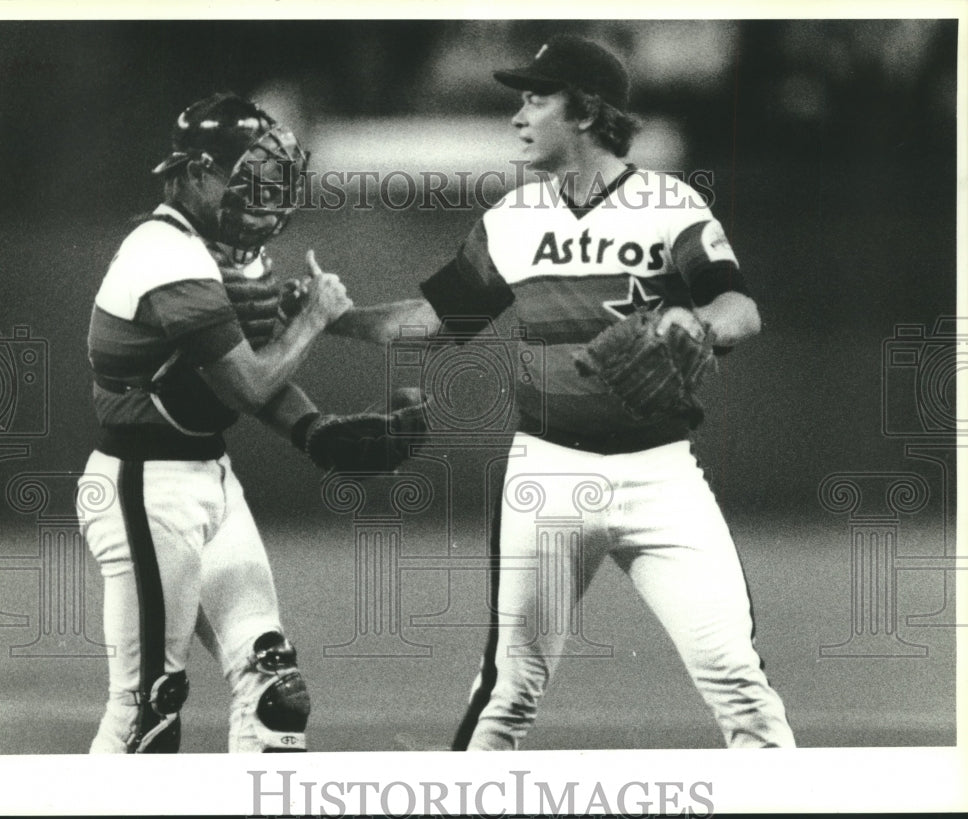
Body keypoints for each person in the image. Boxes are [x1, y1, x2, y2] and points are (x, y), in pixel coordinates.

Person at [332, 35, 796, 750]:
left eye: (534, 97)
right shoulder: (511, 220)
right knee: (507, 693)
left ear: (582, 110)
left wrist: (697, 324)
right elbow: (431, 322)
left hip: (661, 477)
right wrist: (336, 318)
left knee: (739, 682)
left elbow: (740, 308)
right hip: (546, 476)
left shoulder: (669, 203)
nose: (518, 113)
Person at [78, 92, 420, 753]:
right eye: (248, 176)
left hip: (208, 476)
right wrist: (315, 318)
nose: (264, 195)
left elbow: (239, 376)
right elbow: (247, 379)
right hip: (144, 487)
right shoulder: (162, 250)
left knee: (275, 691)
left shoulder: (223, 253)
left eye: (271, 179)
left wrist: (317, 429)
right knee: (148, 709)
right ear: (196, 171)